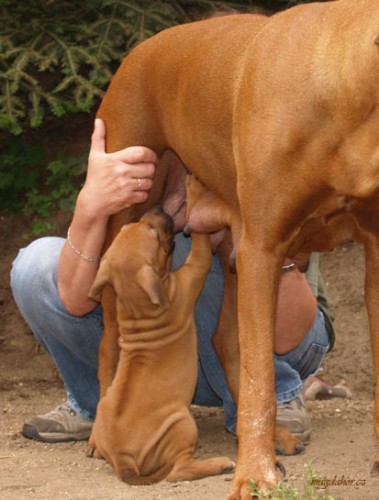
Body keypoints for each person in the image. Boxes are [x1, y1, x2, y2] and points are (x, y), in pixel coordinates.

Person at [10, 119, 334, 445]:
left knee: (184, 253)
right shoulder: (142, 132)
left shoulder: (260, 125)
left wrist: (237, 225)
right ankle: (105, 406)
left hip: (281, 342)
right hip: (166, 359)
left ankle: (270, 397)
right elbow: (77, 299)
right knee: (33, 267)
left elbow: (287, 337)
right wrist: (90, 205)